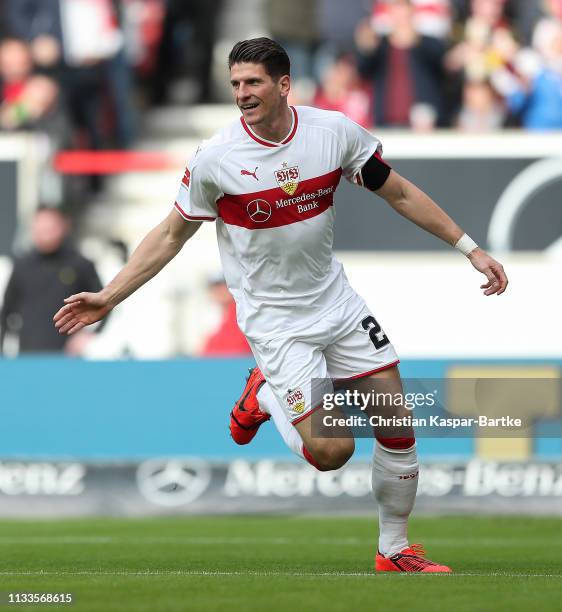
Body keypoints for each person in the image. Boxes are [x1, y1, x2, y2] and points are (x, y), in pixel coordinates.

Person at [53, 37, 508, 573]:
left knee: (397, 423)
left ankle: (394, 550)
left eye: (253, 83)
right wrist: (109, 295)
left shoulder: (332, 132)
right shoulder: (216, 159)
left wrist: (469, 248)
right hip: (275, 323)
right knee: (333, 453)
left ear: (284, 85)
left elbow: (399, 193)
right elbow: (170, 236)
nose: (243, 94)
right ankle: (266, 395)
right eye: (236, 85)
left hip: (336, 304)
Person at [1, 207, 103, 354]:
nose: (45, 233)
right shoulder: (22, 265)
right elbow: (7, 310)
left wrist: (88, 335)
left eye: (50, 228)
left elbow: (104, 301)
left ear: (63, 227)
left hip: (68, 355)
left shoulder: (80, 264)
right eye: (40, 228)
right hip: (29, 353)